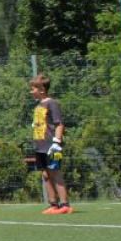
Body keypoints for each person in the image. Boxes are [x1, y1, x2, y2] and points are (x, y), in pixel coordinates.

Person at [30, 74, 71, 214]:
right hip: (40, 146)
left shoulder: (51, 103)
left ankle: (65, 204)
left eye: (33, 88)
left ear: (42, 89)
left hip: (51, 146)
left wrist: (56, 142)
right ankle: (53, 204)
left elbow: (59, 124)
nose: (31, 91)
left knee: (56, 172)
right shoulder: (38, 105)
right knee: (46, 175)